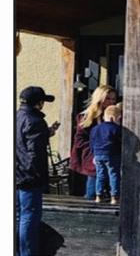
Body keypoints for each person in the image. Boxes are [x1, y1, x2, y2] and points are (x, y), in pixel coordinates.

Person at [16, 86, 60, 256]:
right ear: (38, 103)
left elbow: (22, 141)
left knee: (18, 216)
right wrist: (39, 177)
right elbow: (35, 152)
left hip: (16, 174)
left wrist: (47, 133)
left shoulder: (16, 116)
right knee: (29, 218)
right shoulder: (35, 121)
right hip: (30, 177)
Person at [69, 85, 117, 200]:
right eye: (108, 98)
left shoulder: (115, 115)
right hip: (94, 158)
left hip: (112, 159)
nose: (111, 102)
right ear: (99, 99)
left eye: (113, 99)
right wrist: (94, 153)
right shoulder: (87, 116)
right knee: (93, 191)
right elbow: (80, 139)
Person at [90, 105, 122, 204]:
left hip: (98, 154)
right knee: (114, 174)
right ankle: (114, 197)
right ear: (114, 118)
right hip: (112, 154)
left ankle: (98, 196)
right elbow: (120, 142)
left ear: (104, 117)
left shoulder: (95, 129)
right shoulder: (116, 128)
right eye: (119, 119)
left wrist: (93, 154)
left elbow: (91, 142)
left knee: (100, 175)